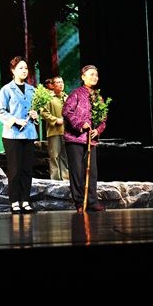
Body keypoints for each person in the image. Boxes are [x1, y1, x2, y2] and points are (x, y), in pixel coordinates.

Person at [0, 56, 38, 214]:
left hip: (29, 133)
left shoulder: (32, 90)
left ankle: (25, 201)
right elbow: (0, 111)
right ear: (13, 70)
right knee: (15, 170)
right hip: (12, 135)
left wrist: (35, 115)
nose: (24, 71)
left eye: (26, 68)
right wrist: (15, 120)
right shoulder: (6, 89)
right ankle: (14, 202)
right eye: (20, 68)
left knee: (27, 170)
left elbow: (36, 110)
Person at [63, 65, 108, 212]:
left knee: (92, 171)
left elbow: (103, 119)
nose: (94, 77)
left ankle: (92, 201)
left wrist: (98, 130)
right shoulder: (75, 93)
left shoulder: (98, 98)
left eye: (96, 75)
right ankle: (79, 202)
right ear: (83, 77)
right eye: (91, 74)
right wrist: (81, 124)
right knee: (77, 171)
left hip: (90, 140)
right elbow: (67, 111)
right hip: (75, 138)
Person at [39, 75, 69, 181]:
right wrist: (55, 120)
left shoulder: (67, 97)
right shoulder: (49, 98)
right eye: (58, 82)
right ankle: (55, 180)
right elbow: (43, 112)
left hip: (66, 132)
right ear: (53, 85)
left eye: (62, 82)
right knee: (54, 156)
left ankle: (66, 179)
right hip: (54, 131)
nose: (61, 84)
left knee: (65, 156)